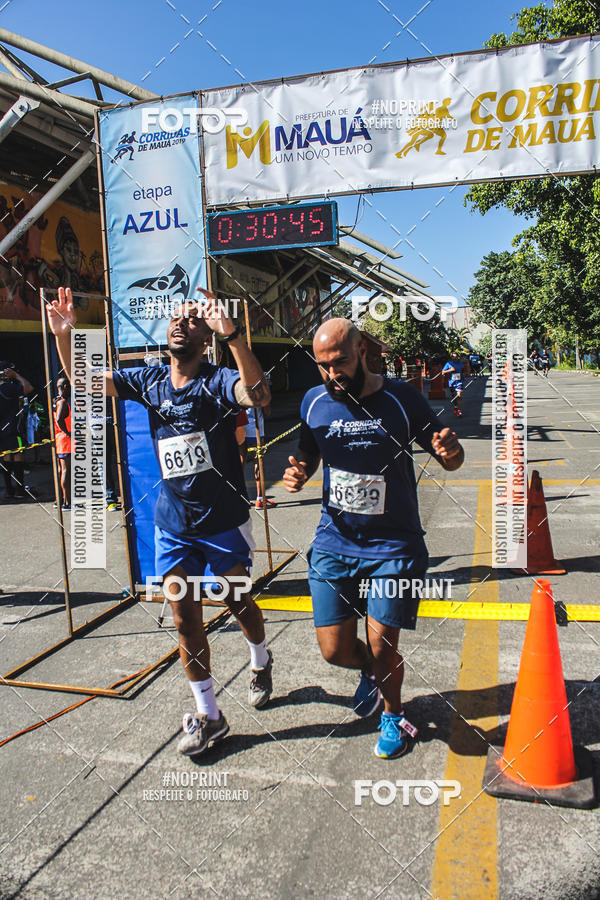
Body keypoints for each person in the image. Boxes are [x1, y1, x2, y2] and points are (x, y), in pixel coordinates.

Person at [46, 286, 274, 758]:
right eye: (176, 317)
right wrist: (64, 337)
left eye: (193, 319)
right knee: (184, 619)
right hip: (172, 525)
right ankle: (210, 715)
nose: (180, 323)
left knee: (237, 603)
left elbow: (258, 394)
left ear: (206, 336)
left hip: (222, 523)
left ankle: (260, 658)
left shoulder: (216, 380)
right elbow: (88, 382)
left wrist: (231, 335)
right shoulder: (149, 380)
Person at [282, 319, 464, 759]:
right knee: (333, 650)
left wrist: (451, 453)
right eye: (322, 365)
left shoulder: (402, 399)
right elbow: (308, 453)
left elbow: (447, 456)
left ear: (361, 350)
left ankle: (393, 714)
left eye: (339, 361)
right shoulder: (314, 401)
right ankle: (370, 670)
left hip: (393, 546)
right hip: (334, 542)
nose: (331, 373)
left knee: (384, 643)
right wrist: (299, 471)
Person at [0, 362, 33, 500]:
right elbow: (29, 388)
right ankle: (19, 490)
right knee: (18, 455)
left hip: (2, 430)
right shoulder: (8, 388)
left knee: (6, 456)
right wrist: (16, 376)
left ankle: (9, 490)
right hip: (13, 428)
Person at [246, 405, 275, 509]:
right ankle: (260, 498)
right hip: (255, 428)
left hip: (239, 427)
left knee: (239, 463)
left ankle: (242, 498)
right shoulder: (260, 388)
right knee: (258, 461)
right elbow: (267, 411)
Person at [53, 376, 72, 510]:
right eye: (69, 387)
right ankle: (67, 502)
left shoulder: (55, 400)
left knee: (61, 470)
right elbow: (59, 419)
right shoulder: (63, 401)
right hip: (65, 439)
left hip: (58, 438)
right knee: (66, 470)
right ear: (64, 387)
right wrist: (68, 433)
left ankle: (59, 500)